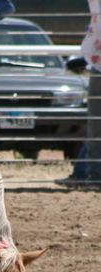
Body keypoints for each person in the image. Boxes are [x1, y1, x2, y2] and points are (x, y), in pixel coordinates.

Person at [57, 0, 101, 188]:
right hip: (98, 66)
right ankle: (92, 175)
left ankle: (91, 175)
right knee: (95, 126)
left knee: (95, 125)